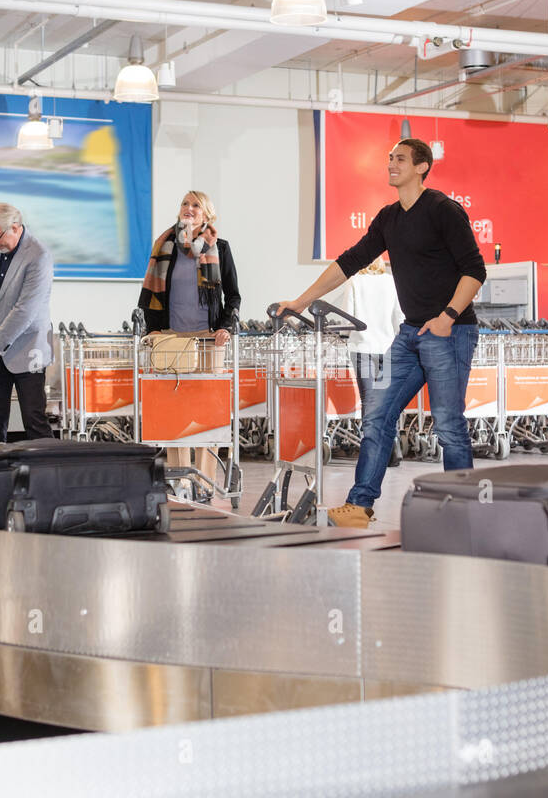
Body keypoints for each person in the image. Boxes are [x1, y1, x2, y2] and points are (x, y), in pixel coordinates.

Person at [276, 138, 486, 527]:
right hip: (409, 335)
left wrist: (447, 317)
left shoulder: (444, 210)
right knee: (376, 414)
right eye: (389, 158)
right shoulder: (389, 218)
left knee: (447, 424)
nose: (391, 164)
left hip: (449, 332)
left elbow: (475, 270)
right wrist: (302, 300)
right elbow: (351, 261)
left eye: (400, 159)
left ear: (422, 167)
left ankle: (463, 509)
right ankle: (359, 505)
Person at [137, 190, 241, 494]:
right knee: (176, 409)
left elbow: (233, 294)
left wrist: (226, 327)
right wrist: (154, 329)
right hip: (172, 338)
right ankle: (180, 479)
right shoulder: (165, 245)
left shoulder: (219, 247)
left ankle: (205, 482)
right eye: (185, 204)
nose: (189, 209)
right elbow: (152, 294)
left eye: (196, 205)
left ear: (207, 214)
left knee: (207, 411)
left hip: (209, 338)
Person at [0, 202, 55, 445]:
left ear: (14, 228)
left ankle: (46, 475)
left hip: (28, 348)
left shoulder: (39, 256)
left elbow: (24, 311)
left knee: (34, 419)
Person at [333, 259, 404, 466]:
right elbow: (399, 317)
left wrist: (343, 335)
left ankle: (374, 453)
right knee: (386, 400)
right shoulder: (391, 281)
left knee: (369, 401)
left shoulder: (354, 281)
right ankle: (392, 447)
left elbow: (347, 319)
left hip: (362, 349)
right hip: (388, 348)